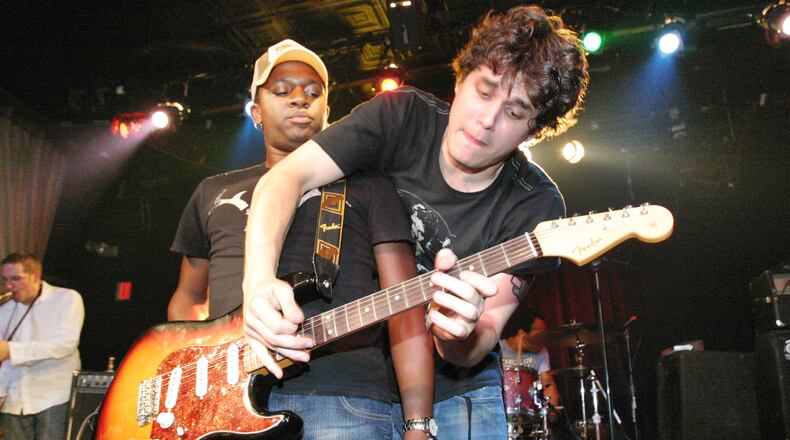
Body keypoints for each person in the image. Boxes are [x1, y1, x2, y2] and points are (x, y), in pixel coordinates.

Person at [242, 5, 589, 439]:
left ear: (535, 131)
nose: (487, 120)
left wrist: (457, 332)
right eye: (484, 91)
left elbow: (480, 340)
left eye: (515, 113)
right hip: (366, 372)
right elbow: (285, 178)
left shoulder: (535, 205)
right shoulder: (401, 116)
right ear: (460, 80)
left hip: (459, 388)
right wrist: (255, 283)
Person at [168, 39, 434, 439]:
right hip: (222, 405)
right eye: (282, 90)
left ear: (328, 112)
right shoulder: (212, 191)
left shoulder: (369, 186)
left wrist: (417, 422)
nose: (300, 100)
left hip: (344, 398)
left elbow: (406, 307)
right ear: (255, 112)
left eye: (314, 93)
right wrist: (190, 379)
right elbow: (188, 297)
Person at [0, 252, 85, 440]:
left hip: (53, 398)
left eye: (16, 279)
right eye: (5, 279)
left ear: (36, 276)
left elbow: (65, 345)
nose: (8, 286)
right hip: (13, 402)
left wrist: (11, 350)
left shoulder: (66, 299)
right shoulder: (5, 310)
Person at [500, 311, 561, 415]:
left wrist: (553, 409)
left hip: (529, 413)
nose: (543, 340)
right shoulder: (498, 349)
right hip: (500, 408)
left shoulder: (542, 352)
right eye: (539, 335)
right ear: (521, 334)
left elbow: (547, 382)